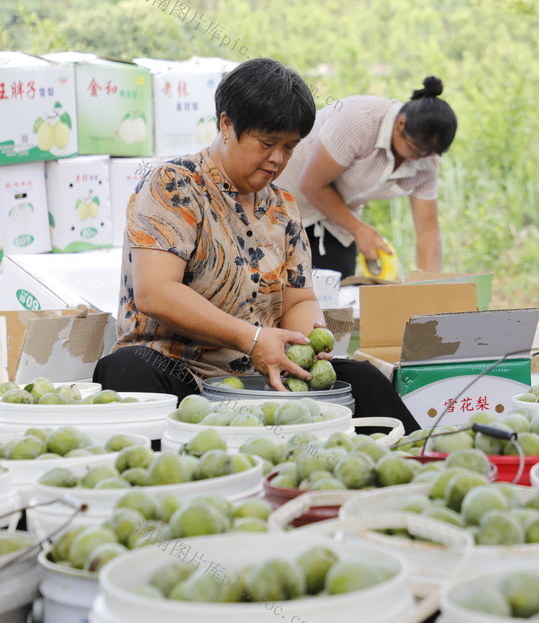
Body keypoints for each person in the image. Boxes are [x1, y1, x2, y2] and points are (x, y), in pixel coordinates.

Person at [93, 58, 420, 432]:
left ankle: (420, 464)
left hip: (264, 377)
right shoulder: (174, 186)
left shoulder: (283, 207)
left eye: (289, 147)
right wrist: (253, 339)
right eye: (267, 143)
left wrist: (306, 346)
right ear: (227, 125)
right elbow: (156, 293)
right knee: (128, 369)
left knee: (360, 378)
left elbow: (299, 299)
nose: (277, 160)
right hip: (180, 372)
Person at [275, 76, 457, 278]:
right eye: (415, 150)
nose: (418, 158)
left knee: (338, 294)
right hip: (285, 203)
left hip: (335, 219)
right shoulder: (360, 119)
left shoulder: (427, 161)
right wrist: (360, 230)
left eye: (427, 154)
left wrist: (429, 285)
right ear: (401, 124)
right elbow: (312, 185)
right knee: (282, 290)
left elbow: (428, 232)